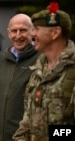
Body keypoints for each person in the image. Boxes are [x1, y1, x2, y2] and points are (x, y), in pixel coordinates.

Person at [13, 2, 75, 141]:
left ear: (55, 32)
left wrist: (48, 136)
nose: (32, 34)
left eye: (36, 29)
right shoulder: (38, 69)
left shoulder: (72, 70)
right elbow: (28, 119)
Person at [0, 13, 39, 141]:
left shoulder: (42, 59)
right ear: (8, 33)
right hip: (3, 136)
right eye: (14, 31)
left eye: (23, 30)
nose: (18, 36)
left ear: (32, 32)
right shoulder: (5, 59)